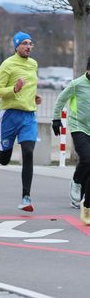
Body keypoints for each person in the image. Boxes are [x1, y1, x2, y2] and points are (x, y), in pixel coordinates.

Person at [0, 31, 42, 212]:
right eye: (24, 43)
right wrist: (14, 89)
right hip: (9, 116)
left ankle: (26, 197)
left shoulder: (33, 64)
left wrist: (34, 96)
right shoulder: (8, 64)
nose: (28, 47)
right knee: (4, 159)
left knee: (28, 151)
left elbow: (30, 86)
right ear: (17, 46)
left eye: (30, 43)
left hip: (28, 116)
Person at [52, 57, 90, 221]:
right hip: (78, 127)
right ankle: (76, 181)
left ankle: (84, 197)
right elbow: (61, 99)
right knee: (87, 159)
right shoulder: (77, 84)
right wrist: (55, 119)